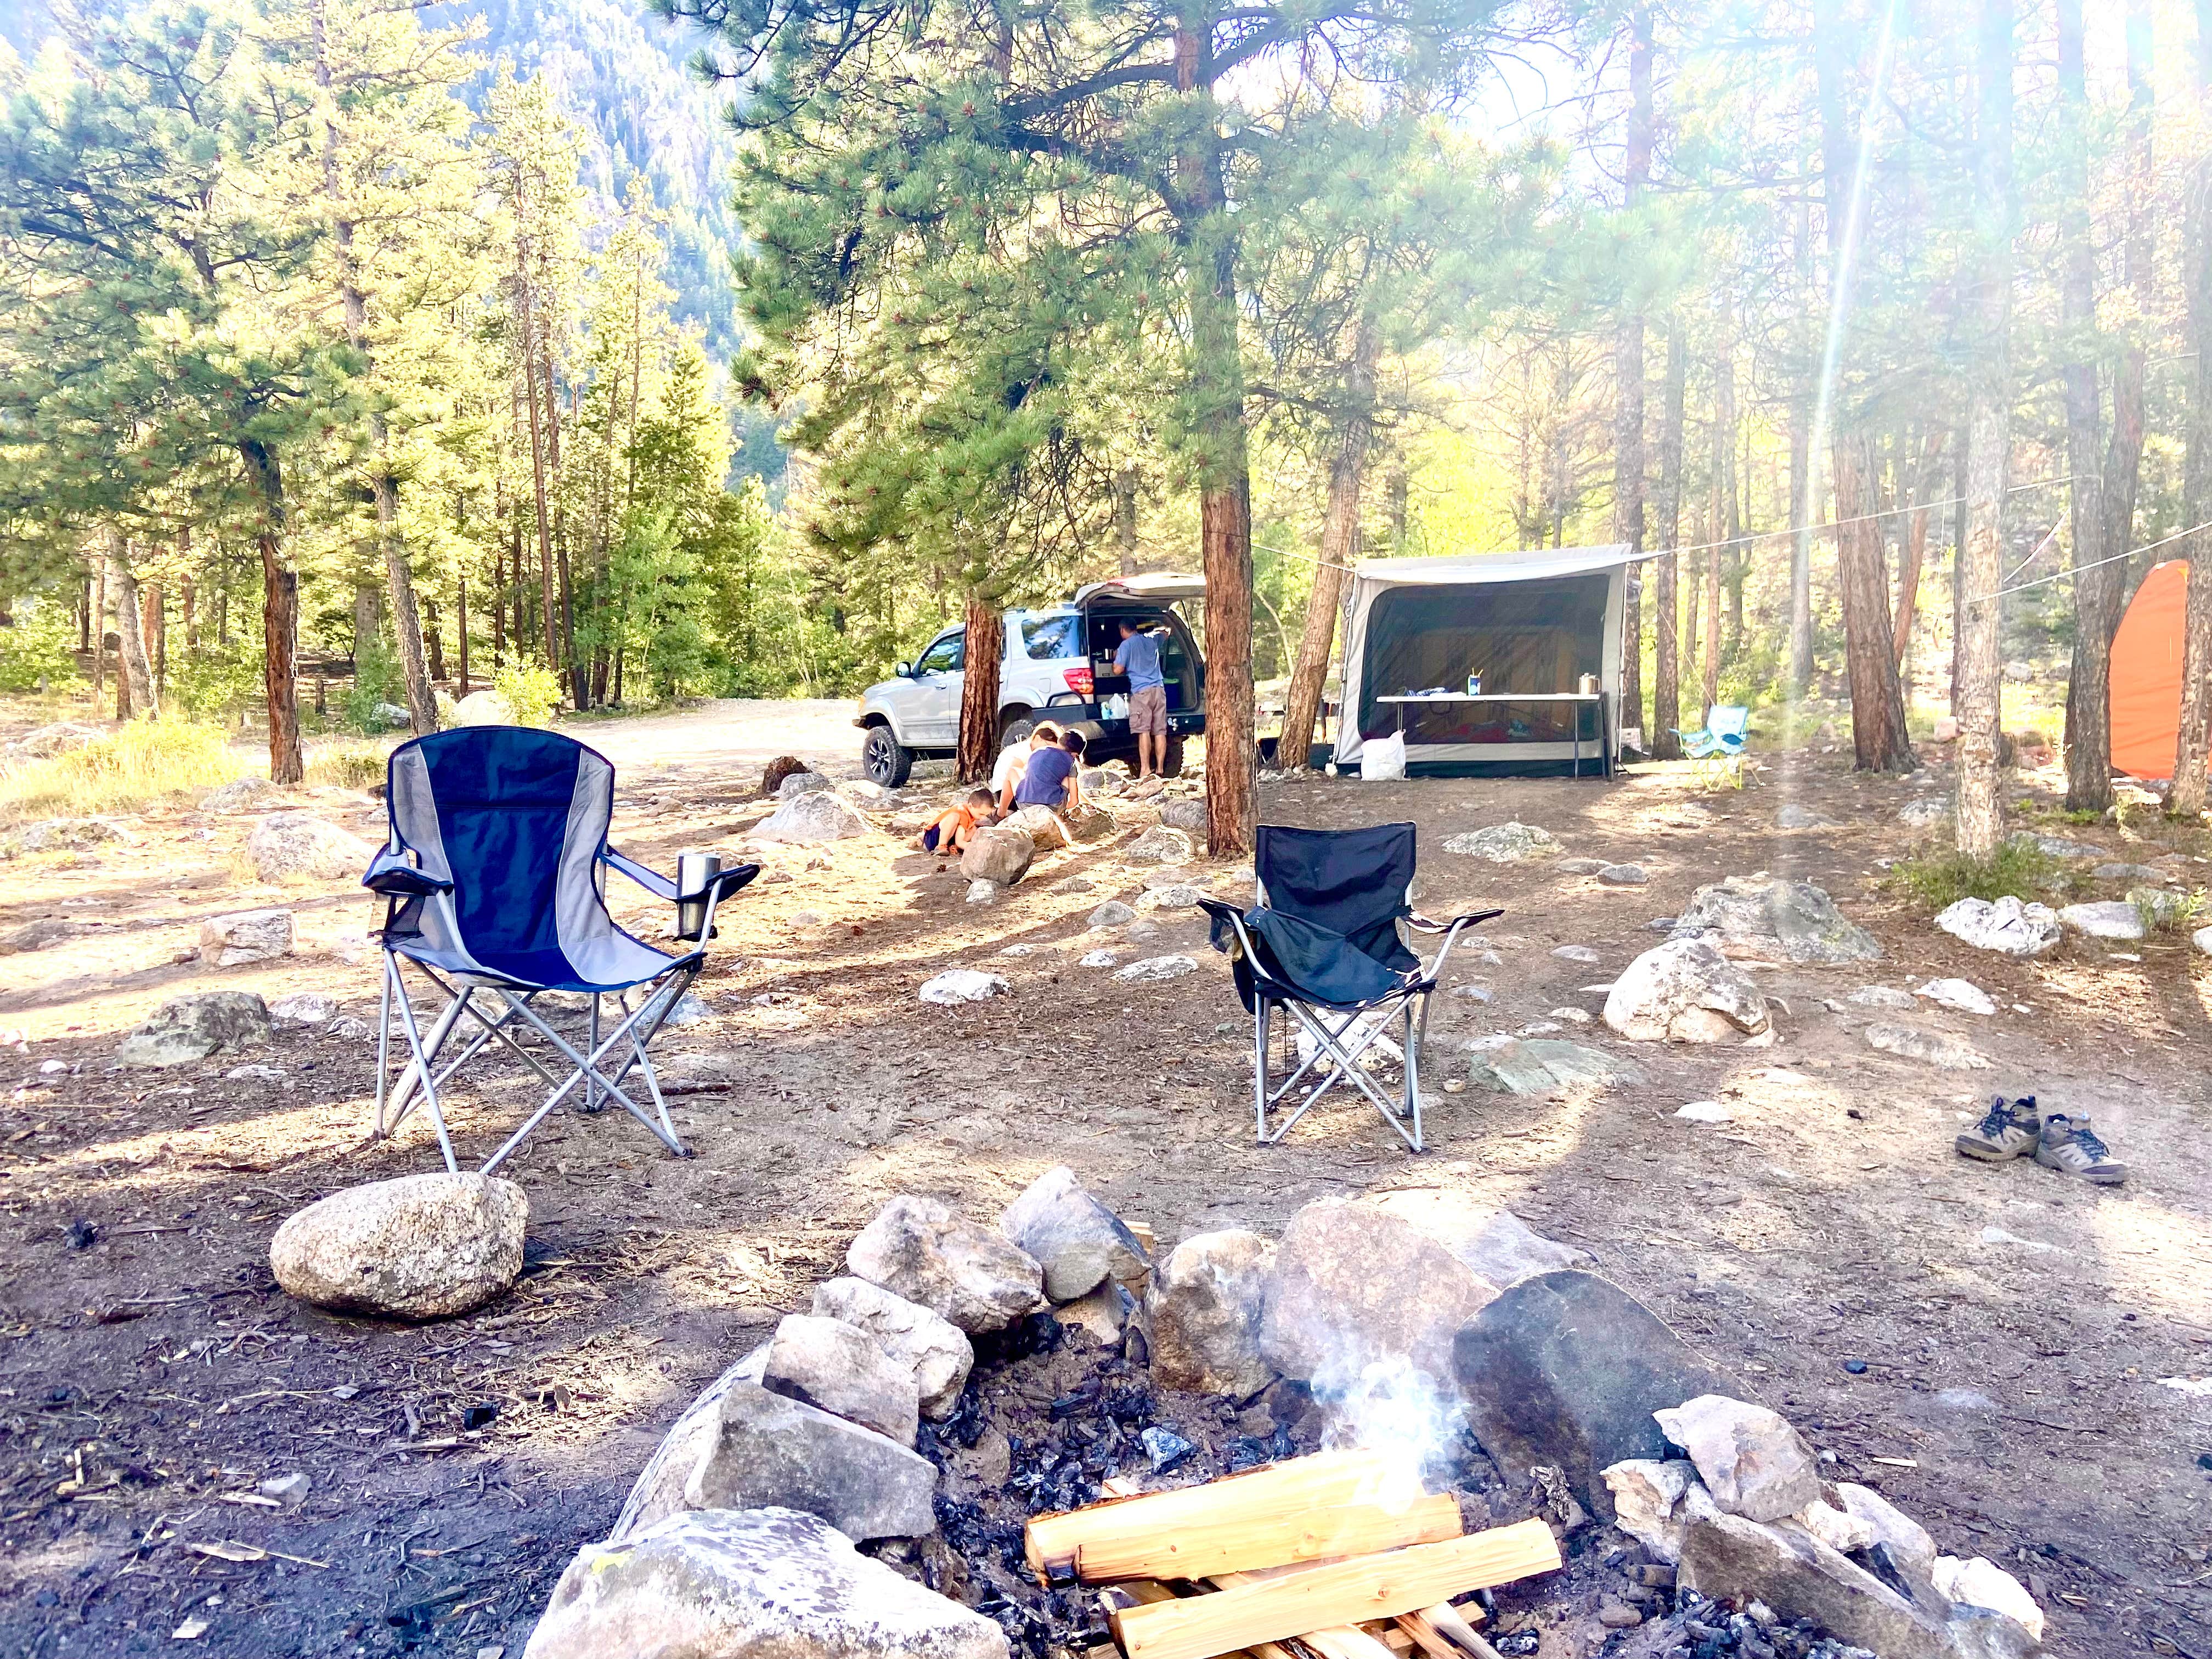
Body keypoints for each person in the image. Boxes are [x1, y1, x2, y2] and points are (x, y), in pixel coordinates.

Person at [1115, 618, 1167, 778]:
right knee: (1160, 731)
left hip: (1141, 692)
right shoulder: (1152, 640)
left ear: (1123, 630)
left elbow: (1118, 670)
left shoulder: (1126, 645)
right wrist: (1152, 629)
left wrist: (1116, 656)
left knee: (1143, 730)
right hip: (1159, 690)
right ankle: (1160, 768)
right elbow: (1166, 632)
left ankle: (1145, 769)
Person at [994, 720, 1062, 812]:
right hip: (1006, 795)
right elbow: (1014, 777)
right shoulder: (1024, 751)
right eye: (1048, 746)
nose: (1049, 751)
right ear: (1038, 739)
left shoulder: (1033, 751)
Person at [1014, 728, 1085, 812]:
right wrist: (1064, 809)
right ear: (1075, 754)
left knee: (1016, 772)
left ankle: (1000, 814)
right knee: (1067, 778)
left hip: (1024, 804)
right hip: (1052, 807)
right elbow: (1074, 802)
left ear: (1059, 741)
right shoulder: (1071, 762)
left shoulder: (1037, 752)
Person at [916, 788, 996, 855]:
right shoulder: (962, 813)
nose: (982, 818)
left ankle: (952, 848)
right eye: (981, 814)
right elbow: (960, 842)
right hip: (933, 838)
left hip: (945, 839)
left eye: (985, 815)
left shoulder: (971, 815)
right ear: (970, 806)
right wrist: (975, 848)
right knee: (954, 817)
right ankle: (941, 846)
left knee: (973, 829)